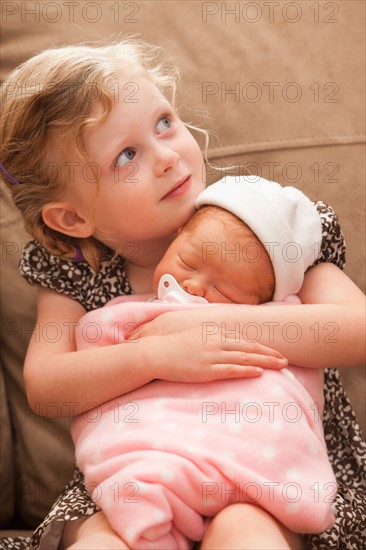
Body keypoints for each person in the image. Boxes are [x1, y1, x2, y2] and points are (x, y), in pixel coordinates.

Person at [0, 39, 364, 550]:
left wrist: (208, 328)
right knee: (103, 538)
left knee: (247, 532)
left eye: (164, 123)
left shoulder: (263, 219)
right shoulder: (78, 269)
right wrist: (156, 355)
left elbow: (356, 330)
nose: (168, 157)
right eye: (127, 155)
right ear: (73, 218)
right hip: (139, 471)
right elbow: (47, 385)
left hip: (272, 469)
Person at [72, 177, 338, 549]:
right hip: (148, 462)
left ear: (265, 302)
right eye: (188, 261)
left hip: (253, 478)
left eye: (226, 290)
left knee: (247, 531)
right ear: (176, 236)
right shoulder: (129, 315)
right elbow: (88, 359)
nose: (195, 287)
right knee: (106, 537)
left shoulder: (283, 320)